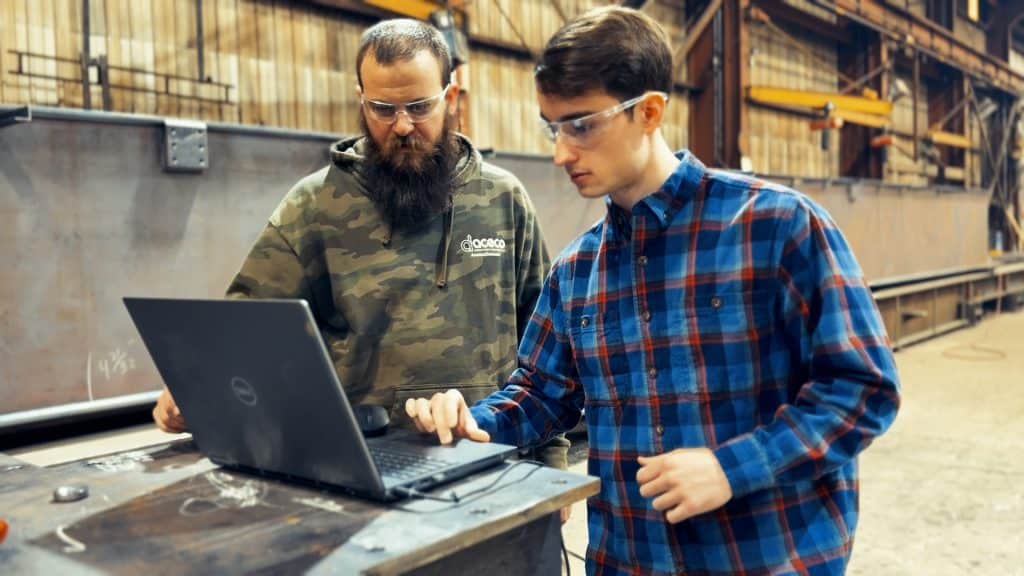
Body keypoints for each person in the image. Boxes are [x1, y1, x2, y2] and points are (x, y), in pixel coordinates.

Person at [404, 6, 901, 574]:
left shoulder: (777, 227)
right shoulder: (576, 271)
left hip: (764, 558)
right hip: (627, 559)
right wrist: (472, 422)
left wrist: (732, 468)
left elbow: (864, 389)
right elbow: (541, 396)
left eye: (582, 125)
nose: (561, 152)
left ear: (650, 111)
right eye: (553, 127)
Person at [151, 19, 570, 484]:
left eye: (419, 106)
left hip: (493, 461)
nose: (403, 125)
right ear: (360, 100)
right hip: (364, 469)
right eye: (382, 109)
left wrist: (551, 466)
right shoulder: (316, 205)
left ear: (450, 100)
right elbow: (248, 323)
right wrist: (199, 389)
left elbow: (546, 354)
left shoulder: (503, 200)